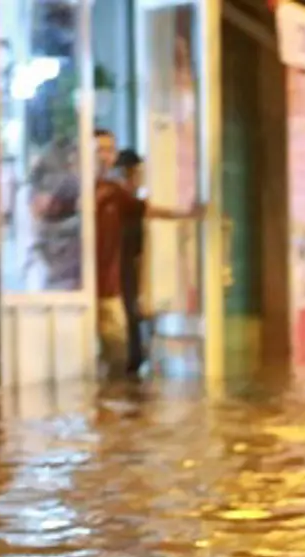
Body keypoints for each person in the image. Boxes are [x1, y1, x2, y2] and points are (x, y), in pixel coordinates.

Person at [94, 129, 186, 377]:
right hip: (78, 290)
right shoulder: (74, 188)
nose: (104, 156)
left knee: (117, 352)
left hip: (110, 289)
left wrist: (186, 214)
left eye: (109, 150)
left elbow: (146, 210)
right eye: (99, 149)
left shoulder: (115, 192)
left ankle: (112, 406)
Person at [114, 149, 148, 376]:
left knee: (131, 318)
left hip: (128, 272)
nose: (136, 180)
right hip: (117, 273)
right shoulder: (119, 201)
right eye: (133, 174)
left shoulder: (130, 204)